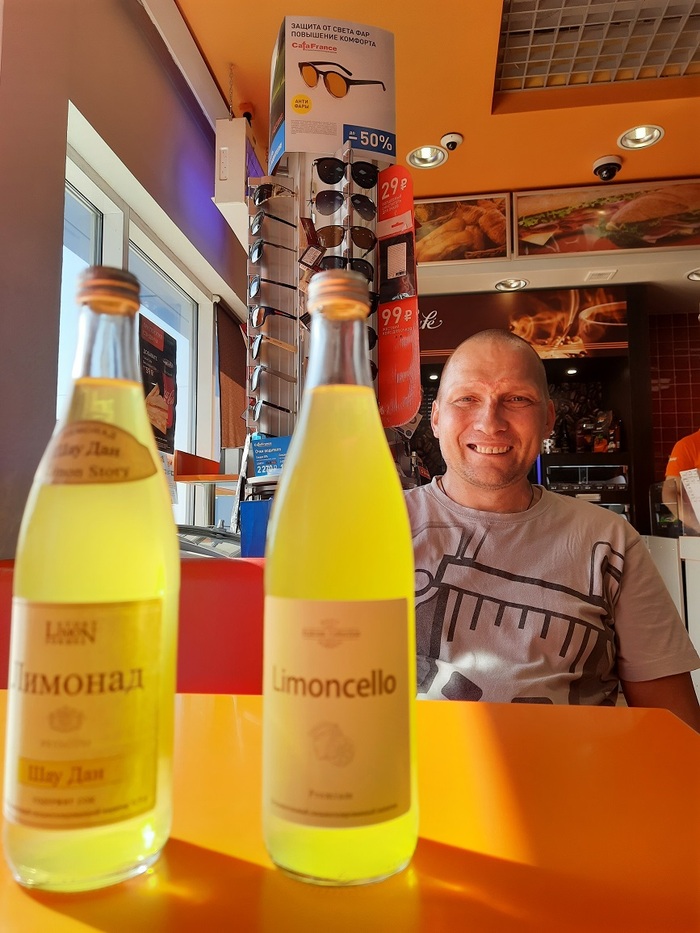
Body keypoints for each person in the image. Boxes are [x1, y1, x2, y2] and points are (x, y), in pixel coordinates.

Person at [405, 329, 700, 731]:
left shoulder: (610, 541)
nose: (490, 422)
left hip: (574, 768)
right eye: (467, 399)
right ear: (437, 417)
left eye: (517, 399)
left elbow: (676, 727)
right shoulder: (376, 528)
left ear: (547, 419)